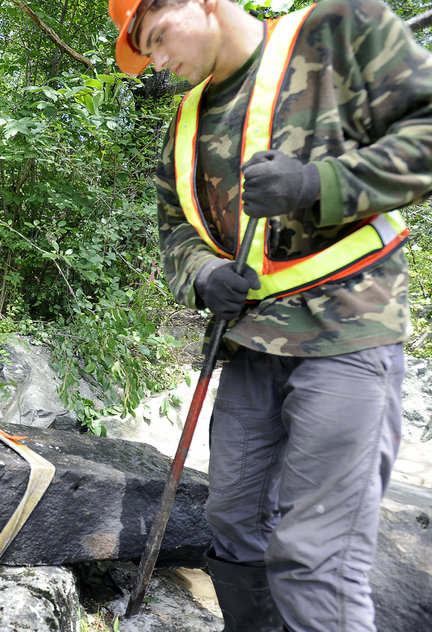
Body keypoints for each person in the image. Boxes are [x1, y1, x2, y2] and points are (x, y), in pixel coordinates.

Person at [109, 0, 432, 630]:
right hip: (249, 349)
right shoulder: (187, 122)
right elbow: (175, 233)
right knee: (233, 525)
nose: (159, 62)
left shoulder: (341, 28)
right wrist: (205, 275)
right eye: (147, 54)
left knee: (314, 555)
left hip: (348, 334)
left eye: (157, 38)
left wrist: (320, 184)